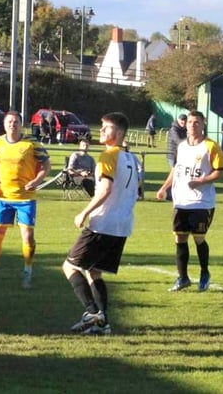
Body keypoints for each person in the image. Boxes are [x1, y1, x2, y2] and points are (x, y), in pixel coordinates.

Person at [66, 112, 138, 336]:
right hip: (122, 224)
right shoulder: (132, 159)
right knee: (94, 271)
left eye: (106, 128)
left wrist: (84, 212)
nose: (102, 131)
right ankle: (103, 323)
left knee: (69, 266)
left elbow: (106, 190)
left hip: (103, 223)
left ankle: (91, 312)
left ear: (117, 133)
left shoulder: (108, 156)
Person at [155, 110, 223, 292]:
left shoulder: (211, 146)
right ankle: (183, 278)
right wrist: (164, 188)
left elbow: (221, 170)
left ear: (203, 125)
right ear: (185, 125)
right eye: (190, 122)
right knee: (180, 237)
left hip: (202, 201)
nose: (192, 125)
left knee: (199, 238)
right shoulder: (182, 146)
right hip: (181, 201)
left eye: (196, 123)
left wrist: (201, 181)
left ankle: (204, 273)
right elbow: (176, 170)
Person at [0, 111, 51, 290]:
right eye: (9, 121)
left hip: (25, 199)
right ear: (4, 124)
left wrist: (36, 181)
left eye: (16, 121)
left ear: (22, 124)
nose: (12, 124)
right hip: (3, 197)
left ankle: (27, 271)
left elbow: (46, 164)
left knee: (27, 236)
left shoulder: (31, 143)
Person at [165, 114, 187, 200]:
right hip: (172, 155)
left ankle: (175, 194)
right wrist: (189, 138)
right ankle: (168, 194)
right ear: (178, 120)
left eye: (184, 120)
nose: (183, 122)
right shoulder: (173, 129)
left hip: (180, 155)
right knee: (174, 174)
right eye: (181, 120)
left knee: (179, 174)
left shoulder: (185, 129)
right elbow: (179, 141)